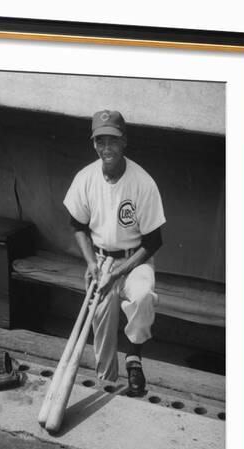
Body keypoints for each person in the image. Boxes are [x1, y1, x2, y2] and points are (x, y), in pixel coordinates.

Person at [63, 110, 166, 395]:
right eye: (100, 141)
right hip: (100, 260)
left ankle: (134, 357)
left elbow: (154, 241)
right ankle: (106, 382)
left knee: (143, 296)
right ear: (94, 143)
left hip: (136, 258)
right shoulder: (85, 178)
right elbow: (77, 226)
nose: (106, 148)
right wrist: (91, 264)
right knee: (101, 322)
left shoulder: (142, 182)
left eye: (112, 141)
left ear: (124, 143)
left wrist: (118, 271)